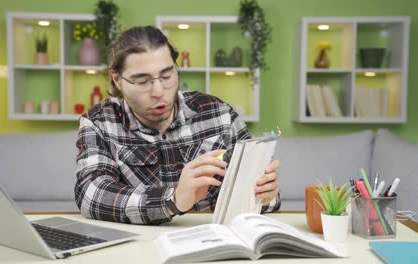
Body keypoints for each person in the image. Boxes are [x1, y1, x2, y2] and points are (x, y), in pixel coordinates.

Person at [75, 25, 281, 225]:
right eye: (142, 81)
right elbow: (91, 194)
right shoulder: (98, 121)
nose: (158, 90)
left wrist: (265, 195)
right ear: (118, 80)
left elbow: (262, 194)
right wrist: (171, 201)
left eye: (166, 75)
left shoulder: (219, 113)